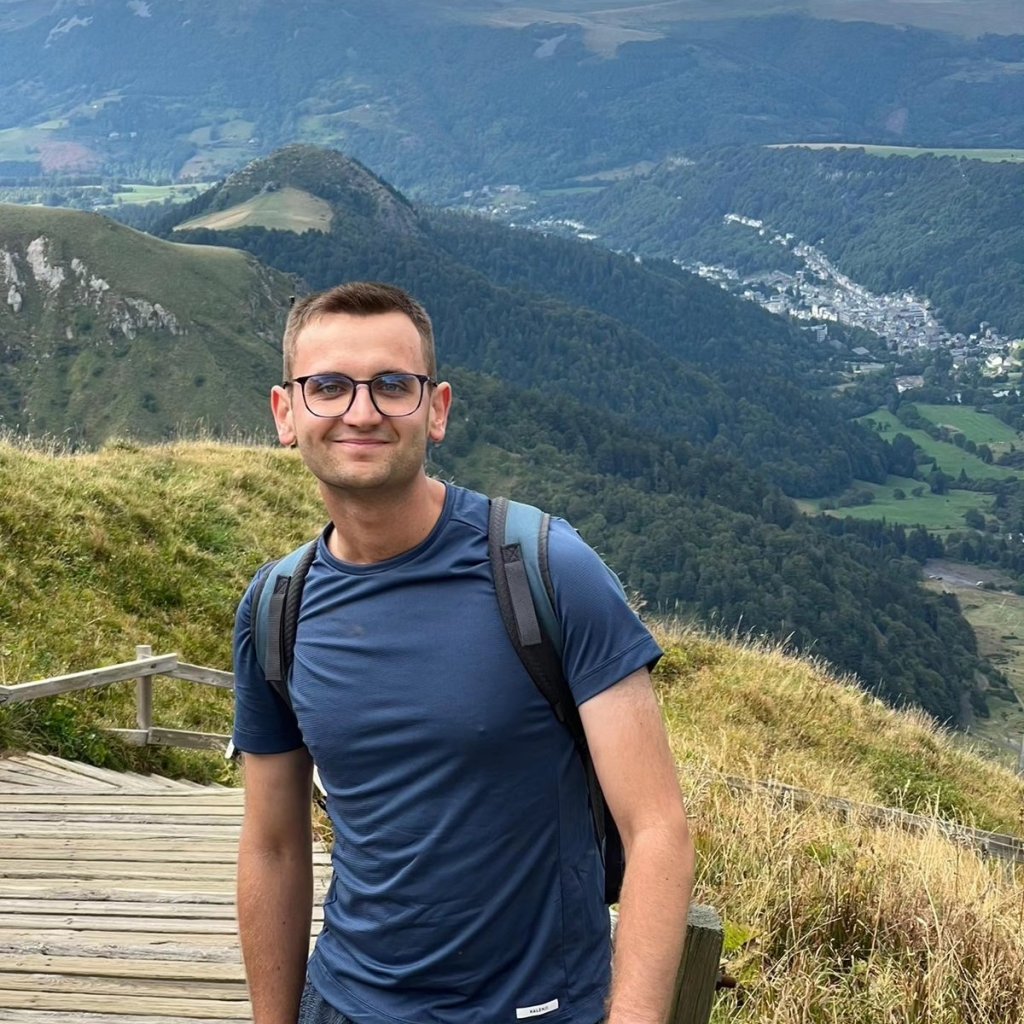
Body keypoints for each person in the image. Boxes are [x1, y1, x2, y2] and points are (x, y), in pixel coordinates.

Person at [232, 281, 694, 1024]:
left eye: (393, 385)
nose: (362, 411)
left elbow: (658, 829)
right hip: (344, 1003)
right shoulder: (274, 609)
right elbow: (273, 846)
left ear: (436, 408)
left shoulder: (549, 570)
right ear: (287, 413)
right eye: (328, 386)